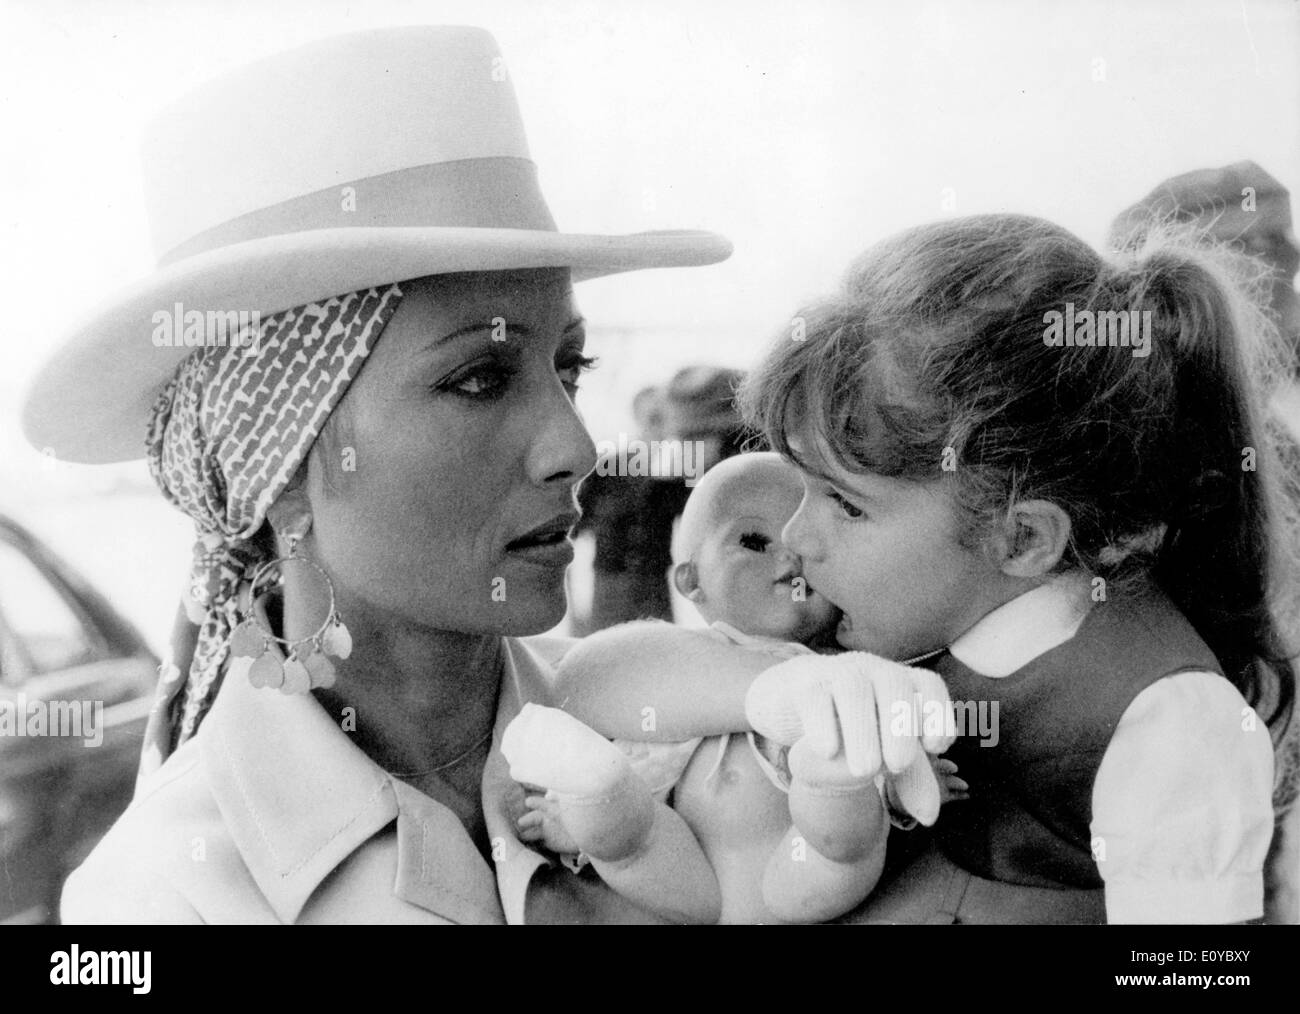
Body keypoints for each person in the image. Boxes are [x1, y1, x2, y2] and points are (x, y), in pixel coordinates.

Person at [24, 25, 735, 924]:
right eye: (479, 378)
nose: (575, 447)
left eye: (571, 367)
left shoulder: (684, 743)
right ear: (272, 466)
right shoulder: (168, 895)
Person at [559, 214, 1299, 923]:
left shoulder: (1164, 717)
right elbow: (592, 684)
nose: (796, 536)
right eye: (799, 489)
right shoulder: (880, 626)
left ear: (1021, 541)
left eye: (845, 505)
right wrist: (783, 688)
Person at [502, 453, 964, 923]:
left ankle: (831, 782)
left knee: (840, 848)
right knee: (633, 841)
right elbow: (597, 690)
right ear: (691, 579)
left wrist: (905, 783)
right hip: (687, 875)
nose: (788, 557)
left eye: (807, 549)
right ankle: (596, 792)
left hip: (798, 877)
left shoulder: (846, 667)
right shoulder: (673, 665)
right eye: (753, 541)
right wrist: (573, 821)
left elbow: (879, 728)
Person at [1111, 162, 1300, 923]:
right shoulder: (1159, 431)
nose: (1285, 265)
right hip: (1194, 748)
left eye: (1285, 238)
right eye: (1256, 245)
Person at [575, 365, 747, 632]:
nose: (665, 433)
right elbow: (574, 530)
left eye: (689, 436)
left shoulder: (727, 474)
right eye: (656, 420)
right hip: (611, 583)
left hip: (654, 585)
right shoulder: (614, 468)